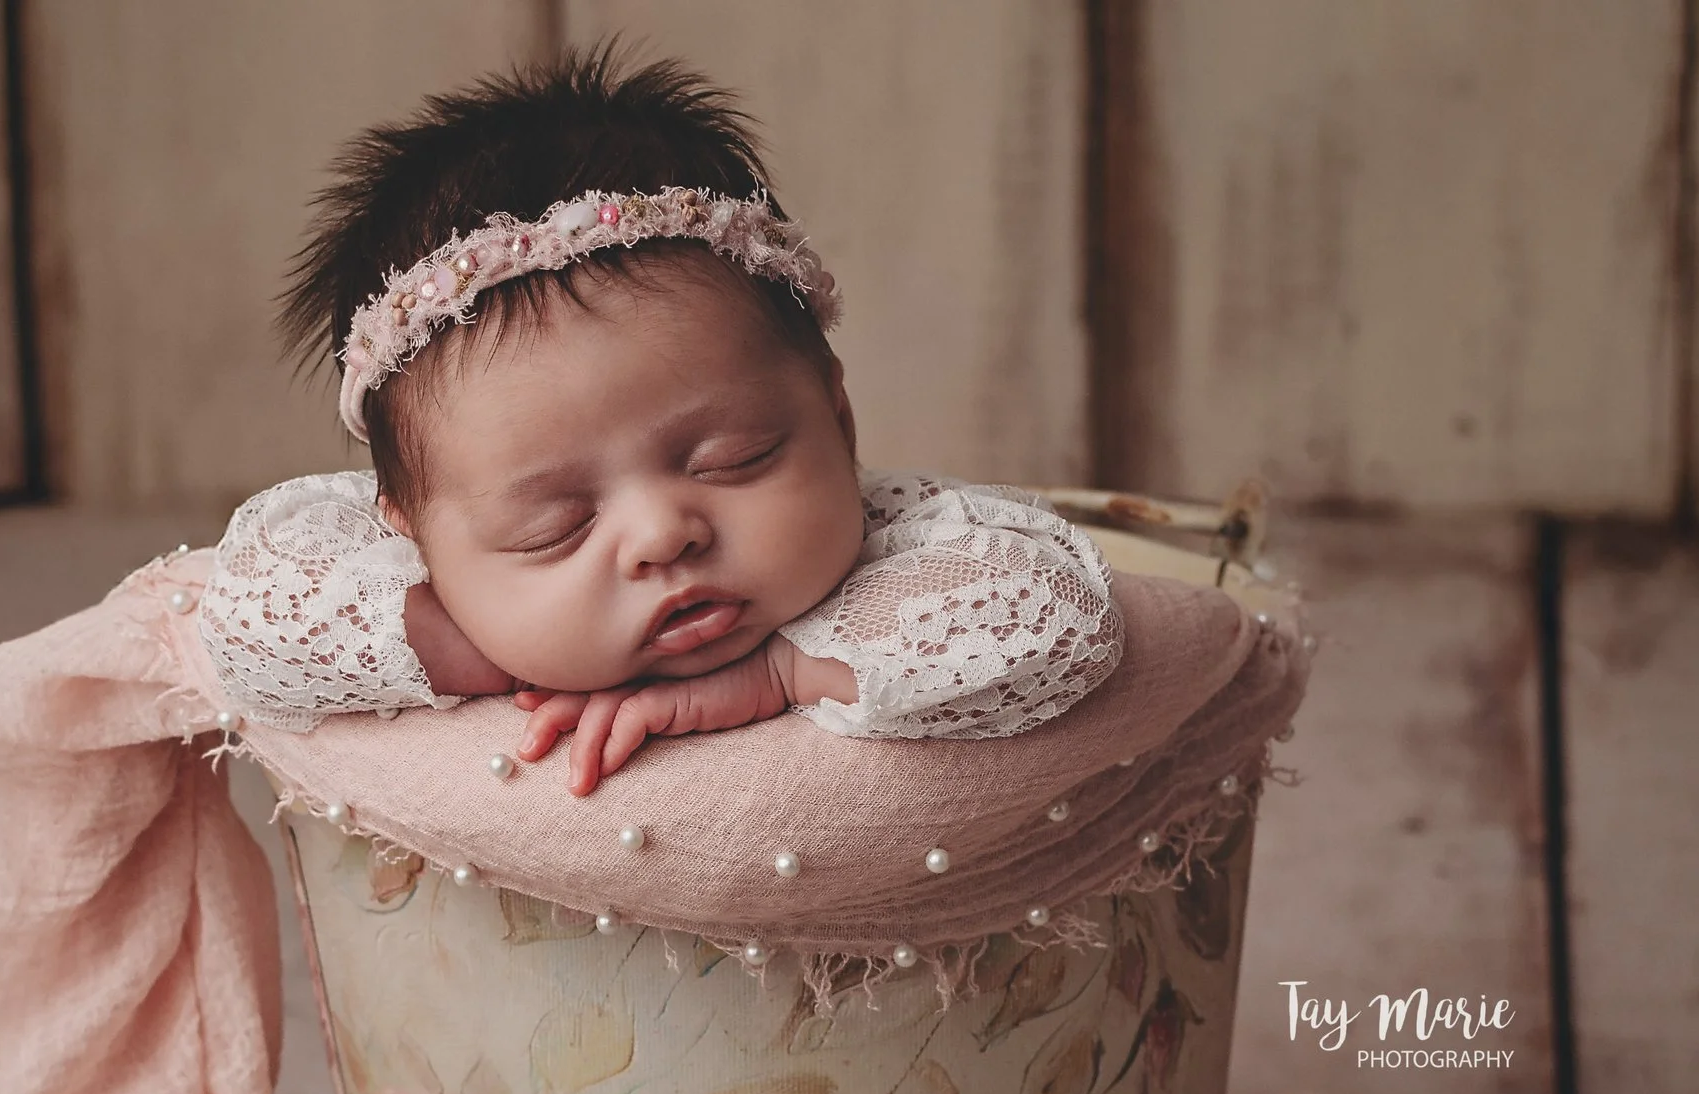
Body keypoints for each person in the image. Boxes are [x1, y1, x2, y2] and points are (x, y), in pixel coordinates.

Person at [201, 48, 1124, 798]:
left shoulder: (909, 549)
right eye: (551, 529)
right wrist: (462, 635)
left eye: (734, 459)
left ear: (837, 418)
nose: (660, 534)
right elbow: (243, 613)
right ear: (415, 536)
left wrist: (780, 675)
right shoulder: (422, 577)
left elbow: (1065, 618)